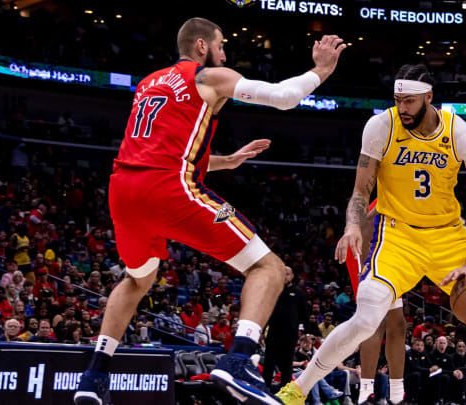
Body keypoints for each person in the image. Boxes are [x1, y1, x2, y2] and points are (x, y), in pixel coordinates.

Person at [73, 17, 345, 405]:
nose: (224, 53)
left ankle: (95, 374)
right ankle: (238, 361)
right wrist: (319, 70)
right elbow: (284, 97)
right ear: (202, 46)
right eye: (220, 45)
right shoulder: (208, 77)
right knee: (267, 267)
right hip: (168, 189)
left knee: (137, 280)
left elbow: (162, 148)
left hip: (124, 190)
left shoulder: (149, 82)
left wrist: (225, 161)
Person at [276, 64, 466, 405]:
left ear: (428, 97)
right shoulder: (381, 127)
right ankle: (298, 390)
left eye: (409, 101)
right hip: (397, 237)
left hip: (448, 238)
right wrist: (351, 224)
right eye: (397, 100)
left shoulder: (462, 135)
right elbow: (361, 192)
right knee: (366, 318)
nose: (401, 108)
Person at [346, 202, 407, 405]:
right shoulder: (385, 196)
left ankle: (397, 392)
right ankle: (366, 389)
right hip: (365, 253)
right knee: (375, 321)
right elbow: (361, 222)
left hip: (389, 255)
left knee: (398, 325)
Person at [262, 266, 307, 389]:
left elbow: (304, 314)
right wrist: (261, 330)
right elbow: (266, 312)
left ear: (292, 276)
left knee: (287, 366)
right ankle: (265, 391)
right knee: (269, 364)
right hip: (273, 333)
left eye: (287, 274)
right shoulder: (273, 292)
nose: (284, 276)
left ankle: (285, 394)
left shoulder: (299, 293)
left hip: (289, 335)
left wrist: (303, 331)